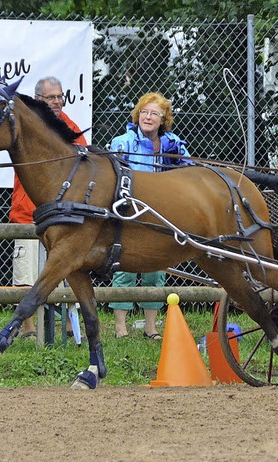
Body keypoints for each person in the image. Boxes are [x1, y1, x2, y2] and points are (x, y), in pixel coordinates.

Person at [109, 92, 190, 339]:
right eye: (144, 112)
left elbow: (187, 171)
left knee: (157, 269)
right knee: (125, 268)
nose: (147, 117)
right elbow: (113, 174)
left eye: (154, 113)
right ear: (137, 115)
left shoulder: (173, 143)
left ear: (164, 119)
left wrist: (178, 157)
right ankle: (120, 328)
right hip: (130, 212)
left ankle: (150, 328)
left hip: (161, 213)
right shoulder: (122, 142)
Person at [12, 76, 88, 340]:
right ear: (38, 100)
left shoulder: (70, 126)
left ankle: (70, 324)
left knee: (68, 268)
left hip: (64, 214)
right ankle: (28, 328)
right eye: (51, 97)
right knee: (26, 273)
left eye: (59, 96)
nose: (57, 101)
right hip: (28, 211)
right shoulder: (26, 123)